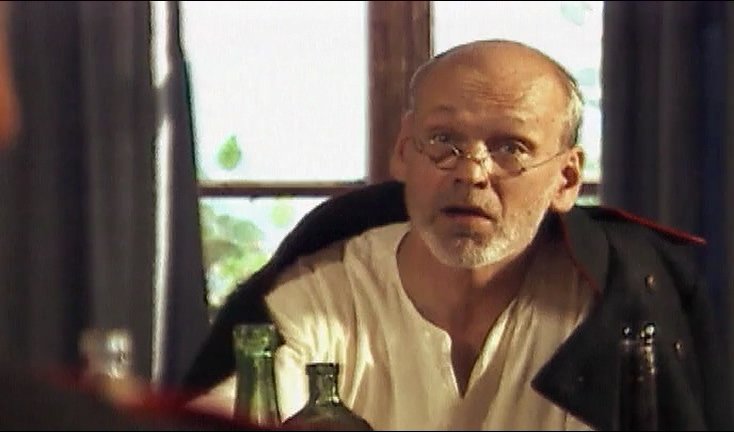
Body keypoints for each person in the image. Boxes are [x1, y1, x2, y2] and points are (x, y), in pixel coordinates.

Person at [181, 39, 732, 430]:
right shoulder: (324, 293)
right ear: (404, 152)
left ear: (566, 179)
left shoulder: (614, 308)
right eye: (443, 140)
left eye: (510, 147)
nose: (470, 172)